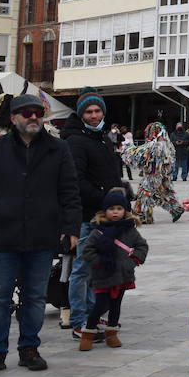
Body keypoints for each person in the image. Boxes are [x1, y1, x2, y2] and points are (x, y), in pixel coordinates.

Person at [0, 93, 81, 376]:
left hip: (42, 236)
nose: (33, 117)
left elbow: (69, 192)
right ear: (14, 117)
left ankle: (29, 348)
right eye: (27, 113)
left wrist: (70, 229)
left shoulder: (58, 149)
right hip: (4, 236)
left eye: (38, 113)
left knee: (34, 297)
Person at [60, 88, 124, 337]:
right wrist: (106, 199)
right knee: (82, 269)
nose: (95, 115)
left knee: (98, 269)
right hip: (89, 214)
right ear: (81, 114)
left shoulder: (101, 137)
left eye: (98, 110)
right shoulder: (76, 140)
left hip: (106, 215)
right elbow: (77, 180)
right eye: (89, 111)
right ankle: (79, 320)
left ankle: (92, 314)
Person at [78, 187, 149, 351]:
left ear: (124, 210)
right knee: (100, 305)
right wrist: (98, 262)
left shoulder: (129, 230)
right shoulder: (98, 231)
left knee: (116, 305)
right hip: (103, 275)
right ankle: (88, 333)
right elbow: (87, 250)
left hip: (123, 275)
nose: (115, 212)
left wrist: (132, 262)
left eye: (119, 209)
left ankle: (112, 334)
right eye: (111, 209)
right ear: (105, 211)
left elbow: (141, 246)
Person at [129, 123, 184, 224]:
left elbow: (140, 155)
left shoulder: (154, 145)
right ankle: (176, 209)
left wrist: (128, 149)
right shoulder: (169, 145)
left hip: (153, 176)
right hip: (163, 175)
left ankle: (141, 215)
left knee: (145, 193)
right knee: (163, 193)